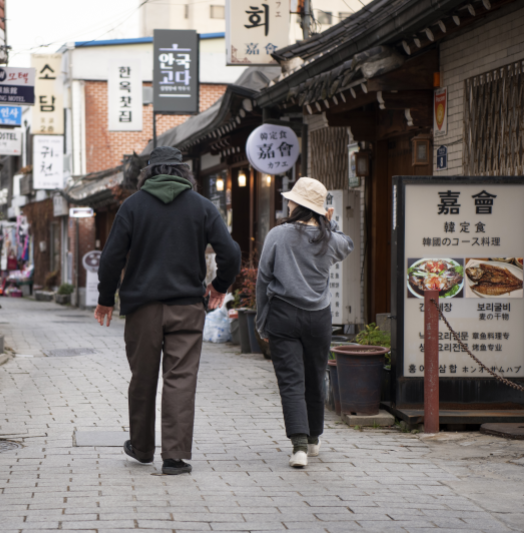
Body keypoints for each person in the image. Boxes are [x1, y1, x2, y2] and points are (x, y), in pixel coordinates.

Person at [94, 146, 241, 475]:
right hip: (187, 307)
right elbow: (230, 253)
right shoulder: (202, 207)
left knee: (143, 378)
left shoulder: (132, 207)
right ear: (185, 174)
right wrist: (219, 286)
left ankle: (143, 449)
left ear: (147, 175)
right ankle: (174, 457)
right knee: (181, 379)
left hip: (142, 308)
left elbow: (111, 257)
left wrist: (105, 298)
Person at [256, 177, 354, 468]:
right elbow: (347, 245)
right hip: (319, 318)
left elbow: (263, 280)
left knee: (291, 381)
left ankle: (298, 446)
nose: (287, 203)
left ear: (297, 205)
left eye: (290, 200)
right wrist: (329, 223)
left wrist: (262, 322)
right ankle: (313, 440)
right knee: (315, 376)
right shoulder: (329, 239)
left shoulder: (278, 235)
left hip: (283, 315)